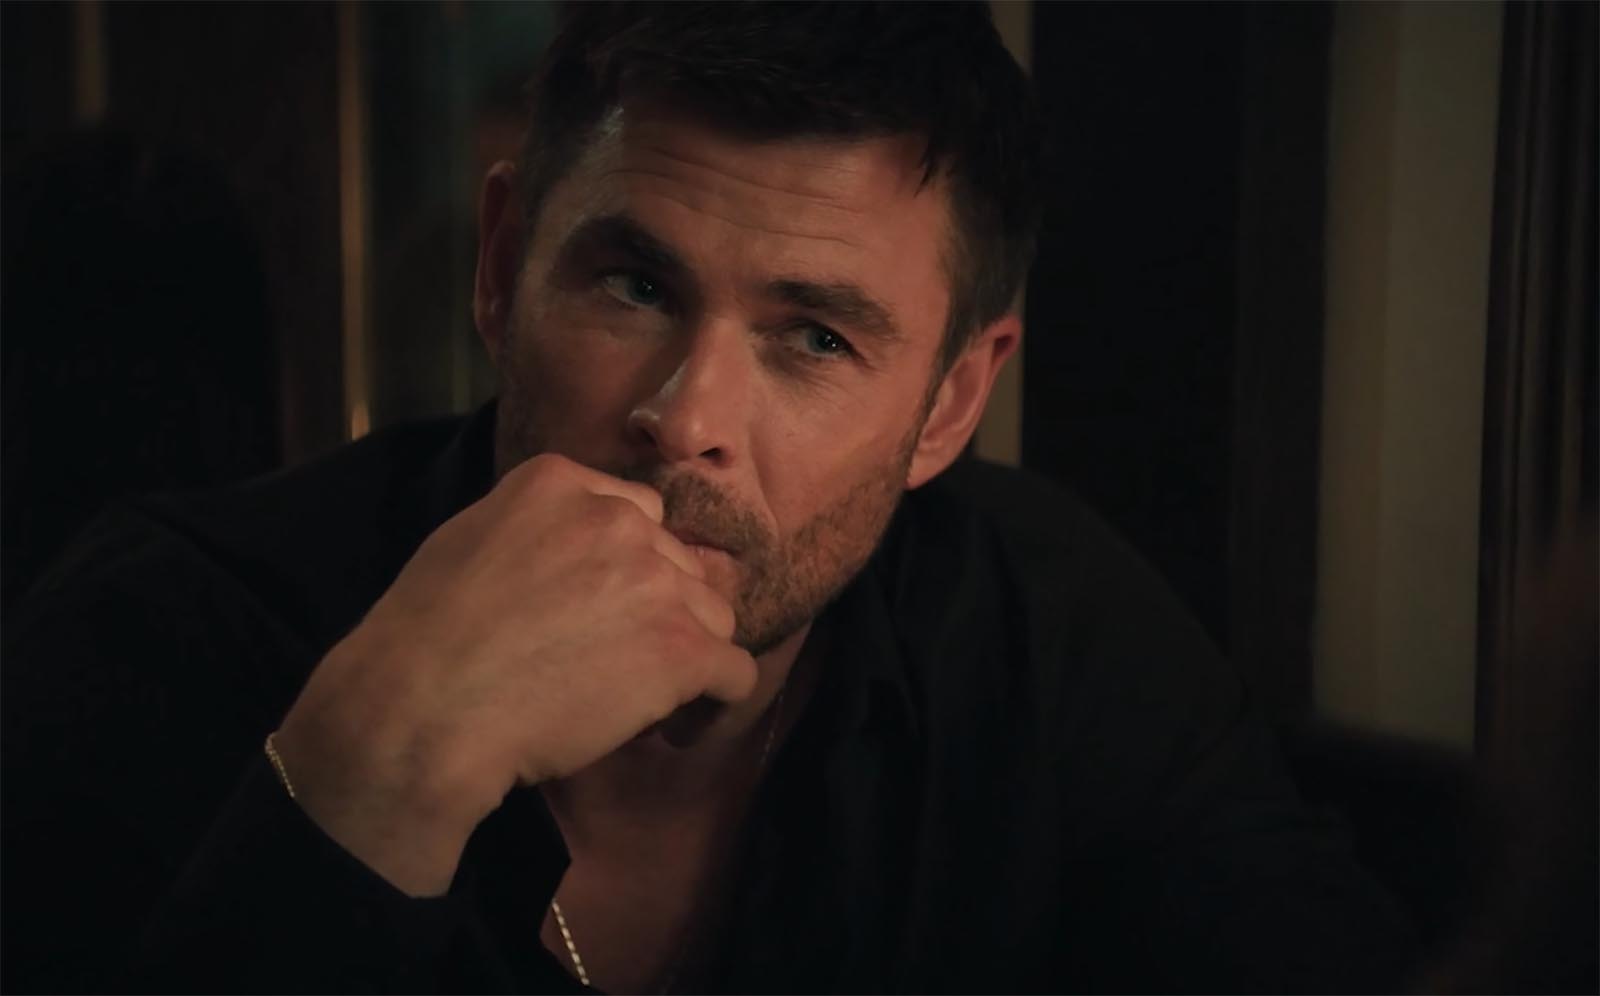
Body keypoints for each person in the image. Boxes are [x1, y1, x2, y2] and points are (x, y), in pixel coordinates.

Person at [1, 4, 1415, 992]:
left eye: (817, 339)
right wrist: (378, 769)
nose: (685, 424)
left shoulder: (1050, 636)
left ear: (950, 404)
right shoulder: (158, 630)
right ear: (501, 268)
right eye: (632, 285)